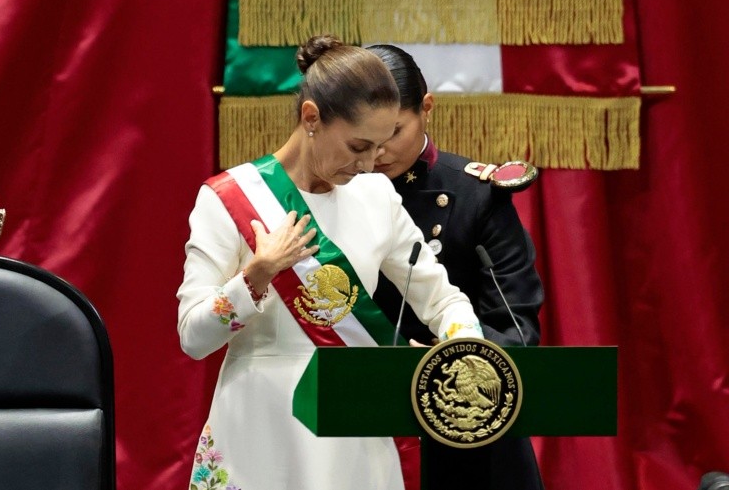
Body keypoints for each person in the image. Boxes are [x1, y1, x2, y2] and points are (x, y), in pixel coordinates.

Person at [177, 35, 487, 490]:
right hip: (260, 426)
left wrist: (464, 350)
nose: (369, 164)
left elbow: (442, 301)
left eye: (379, 148)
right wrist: (257, 274)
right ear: (311, 118)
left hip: (352, 429)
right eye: (358, 146)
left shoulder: (376, 196)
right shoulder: (228, 199)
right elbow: (193, 337)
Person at [367, 44, 546, 490]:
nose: (378, 151)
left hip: (465, 422)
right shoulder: (335, 195)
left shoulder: (476, 194)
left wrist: (447, 363)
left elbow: (515, 323)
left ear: (426, 108)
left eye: (393, 132)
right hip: (365, 415)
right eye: (365, 135)